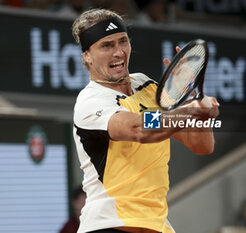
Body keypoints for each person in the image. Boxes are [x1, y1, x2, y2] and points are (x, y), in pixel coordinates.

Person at [71, 8, 219, 233]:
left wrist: (190, 98)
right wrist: (190, 112)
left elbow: (202, 145)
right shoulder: (90, 101)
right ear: (87, 56)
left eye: (123, 41)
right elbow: (138, 128)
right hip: (108, 224)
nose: (119, 52)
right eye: (107, 45)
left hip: (157, 225)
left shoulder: (146, 85)